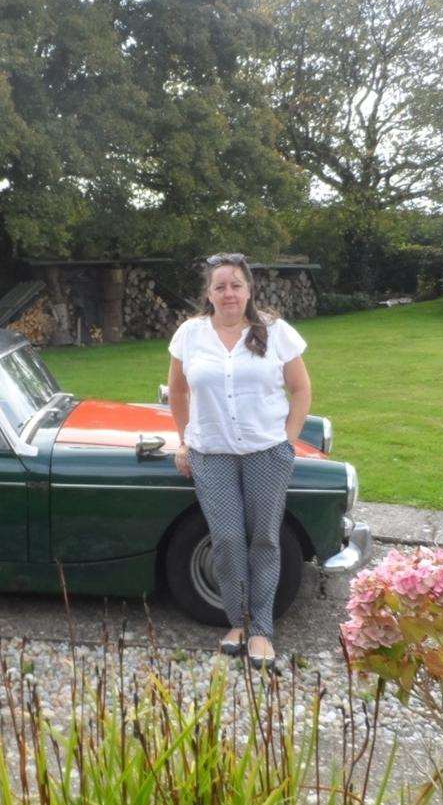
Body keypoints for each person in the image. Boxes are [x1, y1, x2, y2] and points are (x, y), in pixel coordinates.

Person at [166, 252, 311, 669]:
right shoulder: (190, 335)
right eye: (220, 286)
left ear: (249, 289)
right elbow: (177, 392)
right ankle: (238, 622)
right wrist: (184, 440)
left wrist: (287, 441)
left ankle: (261, 629)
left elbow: (301, 391)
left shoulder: (276, 332)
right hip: (211, 454)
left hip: (266, 452)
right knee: (227, 540)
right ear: (208, 293)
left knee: (265, 537)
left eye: (236, 285)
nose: (228, 293)